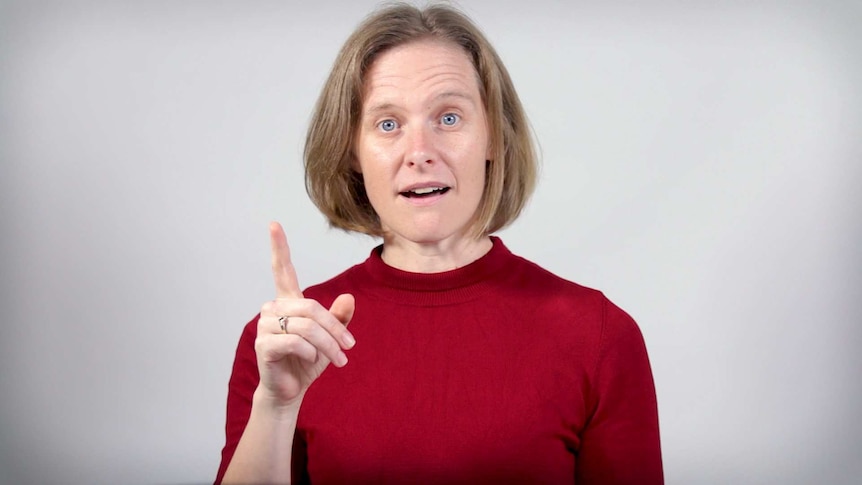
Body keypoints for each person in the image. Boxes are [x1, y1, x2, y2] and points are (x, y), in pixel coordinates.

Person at [216, 3, 662, 484]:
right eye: (388, 124)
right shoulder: (288, 342)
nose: (420, 153)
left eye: (448, 118)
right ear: (352, 152)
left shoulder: (598, 336)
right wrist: (277, 407)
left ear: (493, 136)